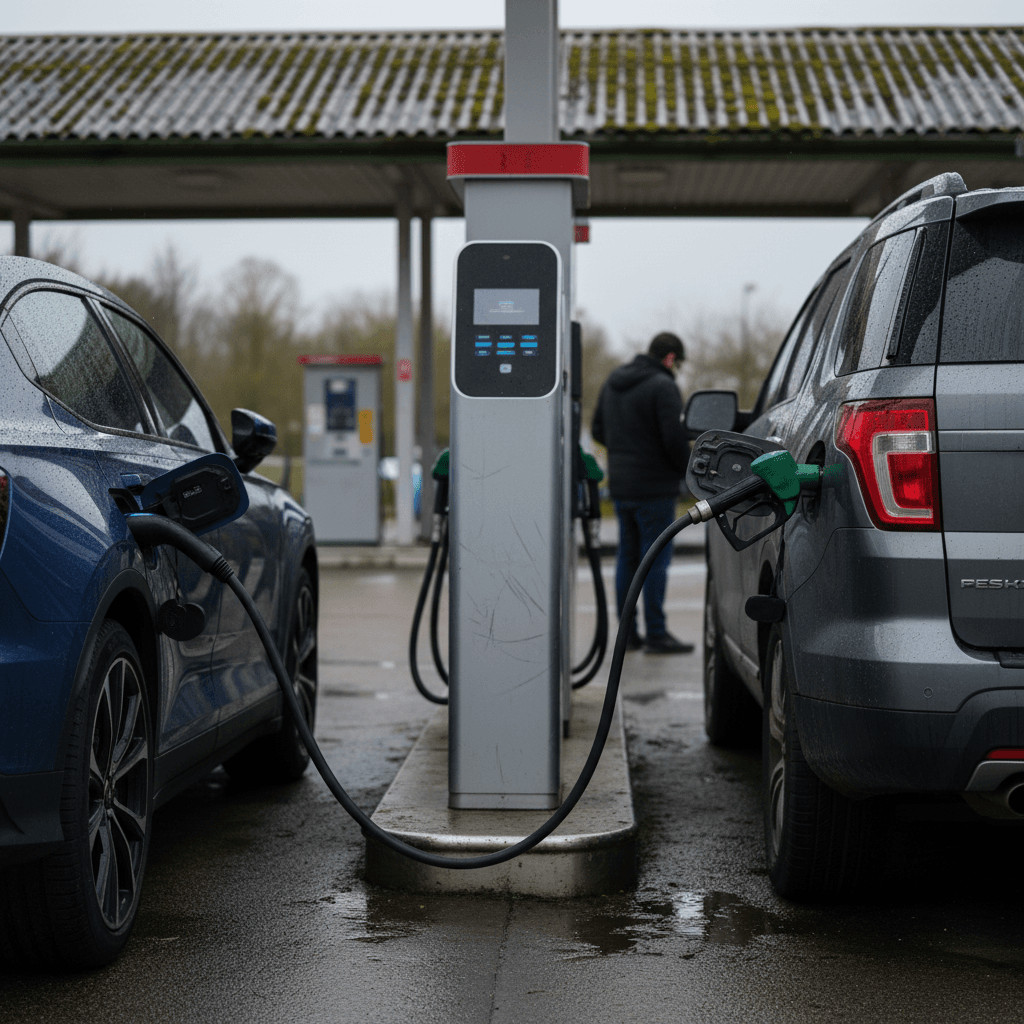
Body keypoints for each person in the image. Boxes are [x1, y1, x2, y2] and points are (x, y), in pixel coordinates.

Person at [591, 332, 694, 654]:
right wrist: (690, 472)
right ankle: (656, 634)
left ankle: (629, 634)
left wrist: (625, 452)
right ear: (669, 357)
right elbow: (674, 440)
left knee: (628, 558)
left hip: (621, 485)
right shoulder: (663, 386)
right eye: (677, 362)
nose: (676, 368)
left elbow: (596, 429)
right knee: (655, 560)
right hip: (654, 488)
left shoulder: (613, 382)